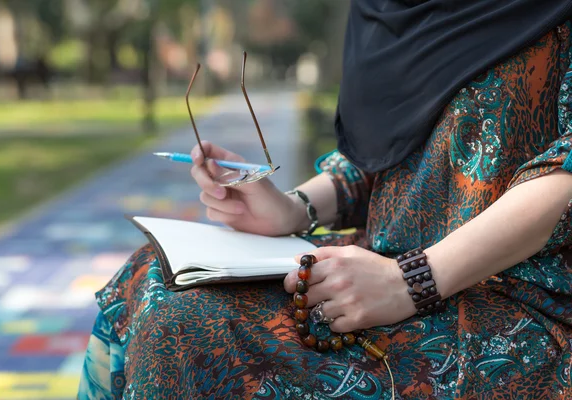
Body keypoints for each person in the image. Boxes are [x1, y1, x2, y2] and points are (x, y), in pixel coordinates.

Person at [78, 1, 572, 398]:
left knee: (184, 327)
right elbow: (385, 148)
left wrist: (413, 280)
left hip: (517, 298)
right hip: (381, 268)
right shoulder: (386, 9)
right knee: (151, 277)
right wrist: (295, 208)